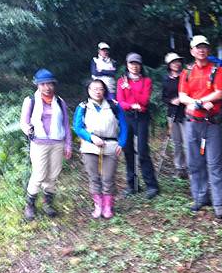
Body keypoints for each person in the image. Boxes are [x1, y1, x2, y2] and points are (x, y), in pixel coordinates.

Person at [178, 35, 222, 219]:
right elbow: (182, 96)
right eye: (198, 47)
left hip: (211, 123)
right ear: (192, 51)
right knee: (194, 162)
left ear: (208, 50)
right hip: (192, 123)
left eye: (204, 47)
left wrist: (199, 102)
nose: (201, 50)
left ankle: (219, 202)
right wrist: (196, 103)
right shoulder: (187, 72)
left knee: (214, 163)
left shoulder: (217, 70)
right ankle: (200, 197)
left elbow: (219, 93)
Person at [20, 68, 72, 220]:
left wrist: (68, 145)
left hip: (57, 142)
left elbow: (66, 124)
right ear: (37, 85)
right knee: (39, 174)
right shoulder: (31, 100)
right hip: (39, 142)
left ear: (54, 85)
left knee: (53, 174)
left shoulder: (60, 101)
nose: (47, 87)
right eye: (43, 84)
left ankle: (47, 203)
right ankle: (30, 204)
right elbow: (24, 122)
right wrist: (27, 129)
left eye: (50, 84)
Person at [73, 80, 127, 219]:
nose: (97, 91)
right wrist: (91, 138)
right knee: (94, 177)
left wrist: (121, 143)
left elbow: (124, 125)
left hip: (111, 145)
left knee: (108, 177)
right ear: (88, 90)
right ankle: (98, 205)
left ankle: (108, 206)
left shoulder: (114, 105)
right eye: (94, 89)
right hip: (90, 146)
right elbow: (78, 127)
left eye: (100, 89)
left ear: (104, 91)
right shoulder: (83, 107)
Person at [117, 52, 159, 199]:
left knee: (142, 151)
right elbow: (121, 102)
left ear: (140, 66)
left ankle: (152, 185)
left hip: (142, 117)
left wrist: (129, 89)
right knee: (128, 150)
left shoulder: (146, 81)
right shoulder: (121, 81)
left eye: (137, 64)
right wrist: (132, 104)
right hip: (127, 117)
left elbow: (144, 100)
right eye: (131, 63)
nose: (134, 66)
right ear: (127, 65)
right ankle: (132, 185)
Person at [162, 52, 187, 178]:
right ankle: (179, 167)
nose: (176, 64)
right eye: (173, 62)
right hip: (172, 114)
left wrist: (182, 99)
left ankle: (191, 166)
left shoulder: (186, 76)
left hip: (186, 113)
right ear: (169, 65)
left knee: (188, 142)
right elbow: (164, 98)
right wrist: (172, 101)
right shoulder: (166, 80)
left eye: (178, 61)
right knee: (177, 142)